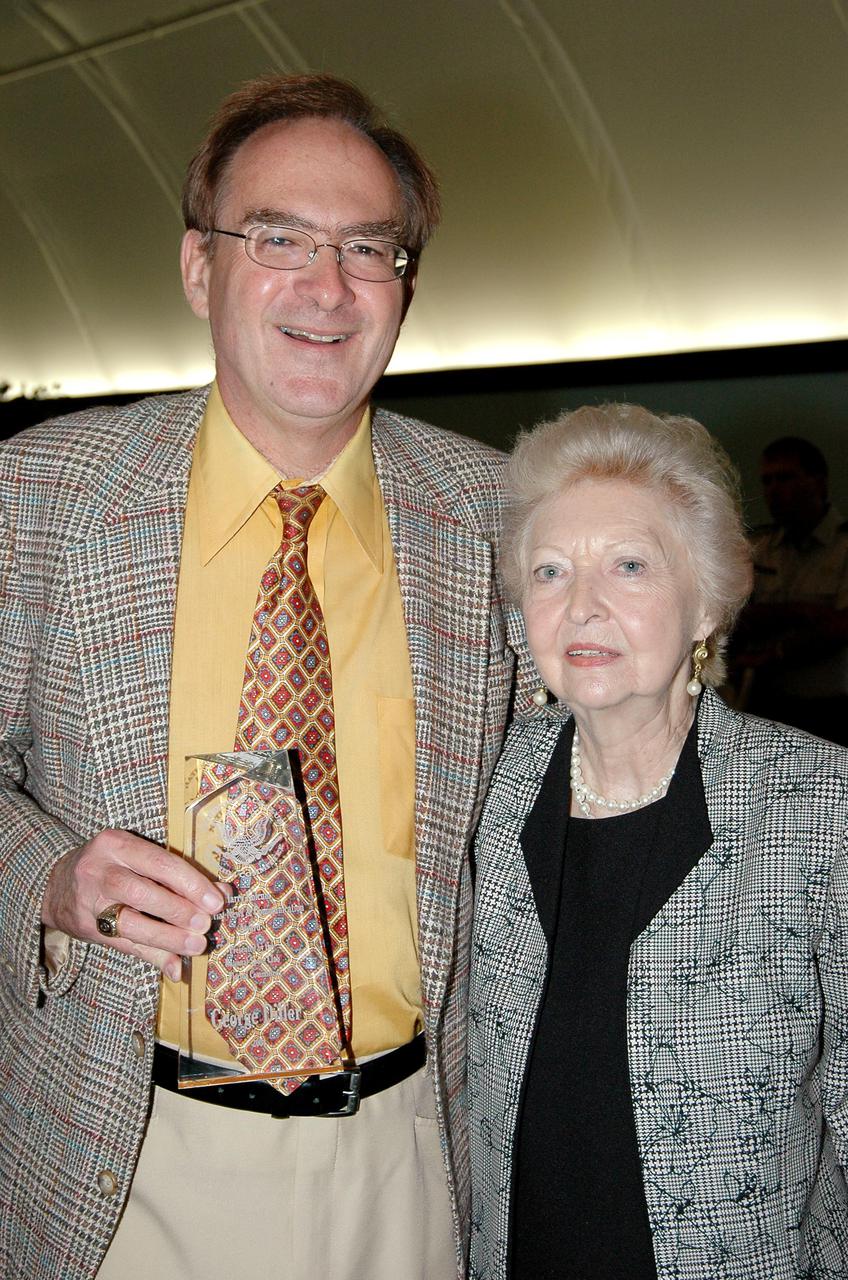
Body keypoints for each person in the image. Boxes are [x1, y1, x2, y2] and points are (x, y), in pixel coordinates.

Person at [0, 74, 519, 1280]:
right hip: (116, 1158)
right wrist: (50, 877)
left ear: (403, 288)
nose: (325, 286)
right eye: (277, 237)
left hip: (414, 1156)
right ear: (199, 270)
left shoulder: (499, 513)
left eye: (367, 248)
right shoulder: (38, 499)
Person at [468, 403, 848, 1279]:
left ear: (705, 601)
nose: (583, 607)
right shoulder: (484, 788)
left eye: (629, 567)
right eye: (551, 571)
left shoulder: (818, 804)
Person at [731, 436, 848, 745]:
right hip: (766, 708)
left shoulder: (846, 546)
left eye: (785, 478)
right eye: (767, 480)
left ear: (818, 481)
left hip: (833, 710)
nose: (773, 490)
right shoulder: (759, 547)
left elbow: (842, 627)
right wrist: (802, 612)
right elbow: (734, 616)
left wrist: (773, 653)